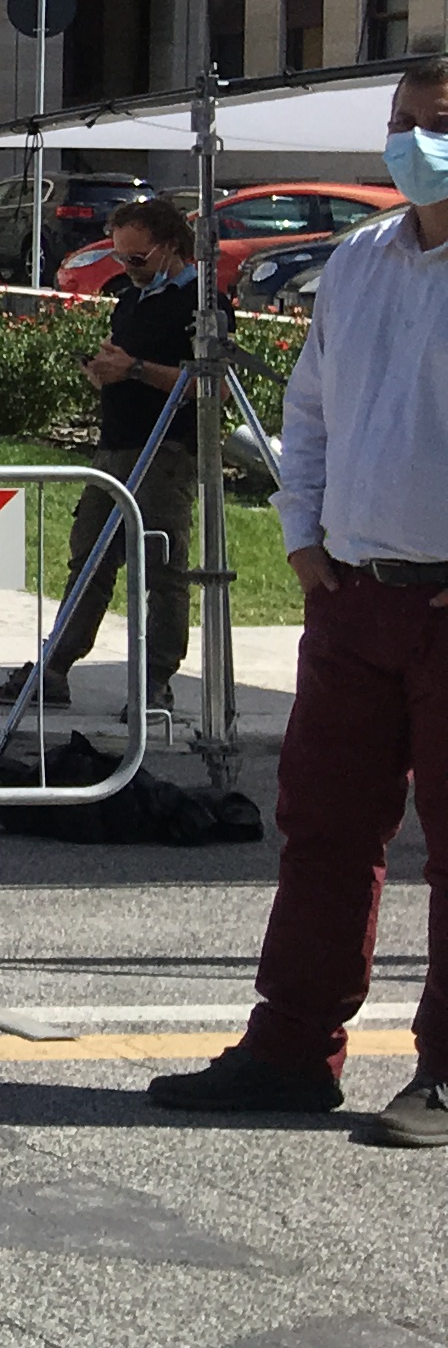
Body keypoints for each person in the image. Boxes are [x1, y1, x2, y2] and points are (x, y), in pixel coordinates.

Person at [155, 58, 448, 1135]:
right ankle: (291, 1049)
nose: (413, 141)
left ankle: (445, 1071)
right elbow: (313, 406)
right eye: (401, 120)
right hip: (356, 596)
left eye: (437, 124)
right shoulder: (366, 259)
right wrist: (304, 540)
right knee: (323, 830)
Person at [0, 195, 197, 721]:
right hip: (116, 446)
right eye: (121, 258)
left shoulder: (199, 303)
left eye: (138, 260)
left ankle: (155, 680)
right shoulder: (132, 299)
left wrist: (133, 370)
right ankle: (55, 667)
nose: (128, 271)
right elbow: (126, 355)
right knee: (90, 556)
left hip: (166, 450)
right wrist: (104, 368)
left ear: (170, 247)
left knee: (162, 567)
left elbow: (206, 386)